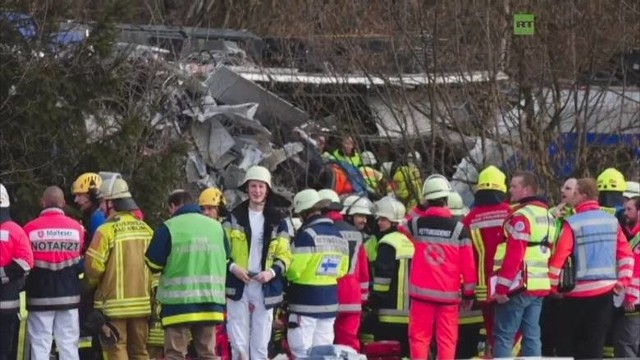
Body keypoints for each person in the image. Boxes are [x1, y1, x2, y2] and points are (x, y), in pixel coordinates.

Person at [548, 178, 634, 359]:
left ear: (583, 195)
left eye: (576, 193)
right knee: (595, 346)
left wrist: (553, 287)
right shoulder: (612, 221)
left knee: (568, 346)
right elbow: (626, 255)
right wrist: (622, 282)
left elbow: (559, 258)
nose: (573, 196)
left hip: (576, 294)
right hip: (605, 293)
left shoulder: (572, 223)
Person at [145, 190, 229, 360]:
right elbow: (226, 258)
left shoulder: (169, 227)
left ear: (172, 206)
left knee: (175, 354)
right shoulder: (217, 228)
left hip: (178, 305)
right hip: (210, 303)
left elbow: (153, 263)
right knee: (207, 353)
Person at [402, 174, 476, 360]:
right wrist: (469, 293)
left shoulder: (417, 224)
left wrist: (420, 206)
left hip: (421, 296)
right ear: (447, 199)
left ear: (426, 199)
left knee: (419, 339)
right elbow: (468, 266)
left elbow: (402, 226)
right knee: (447, 341)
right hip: (448, 297)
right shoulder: (459, 230)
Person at [223, 166, 292, 360]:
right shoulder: (233, 217)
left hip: (265, 284)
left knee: (261, 341)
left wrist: (271, 272)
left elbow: (286, 255)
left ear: (267, 189)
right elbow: (221, 250)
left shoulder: (278, 221)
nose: (257, 191)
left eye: (261, 187)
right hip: (239, 282)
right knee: (238, 340)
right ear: (247, 188)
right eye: (253, 186)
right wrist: (233, 267)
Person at [84, 176, 153, 360]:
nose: (100, 207)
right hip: (142, 305)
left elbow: (93, 268)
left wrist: (89, 287)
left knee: (116, 351)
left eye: (102, 202)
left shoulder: (106, 230)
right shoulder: (146, 229)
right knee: (140, 352)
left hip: (114, 307)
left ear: (111, 203)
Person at [491, 171, 557, 358]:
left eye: (514, 186)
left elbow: (515, 254)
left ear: (526, 189)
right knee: (532, 335)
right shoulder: (548, 215)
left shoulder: (521, 216)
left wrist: (502, 288)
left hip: (518, 284)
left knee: (504, 335)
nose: (509, 190)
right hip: (539, 284)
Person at [23, 186, 85, 360]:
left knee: (40, 344)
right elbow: (80, 258)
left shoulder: (29, 229)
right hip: (69, 295)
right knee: (68, 344)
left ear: (43, 202)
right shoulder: (77, 229)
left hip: (39, 296)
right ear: (63, 203)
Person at [286, 189, 349, 358]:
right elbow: (343, 270)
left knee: (302, 352)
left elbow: (293, 270)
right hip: (329, 303)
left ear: (304, 213)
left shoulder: (307, 235)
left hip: (305, 303)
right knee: (323, 353)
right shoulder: (339, 236)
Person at [462, 165, 512, 354]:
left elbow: (465, 256)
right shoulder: (511, 213)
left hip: (482, 286)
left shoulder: (469, 219)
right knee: (510, 331)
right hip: (509, 285)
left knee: (492, 331)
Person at [317, 189, 369, 353]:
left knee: (323, 343)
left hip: (327, 294)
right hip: (352, 297)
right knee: (349, 346)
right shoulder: (356, 234)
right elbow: (363, 272)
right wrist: (363, 298)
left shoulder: (319, 231)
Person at [369, 196, 414, 357]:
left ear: (394, 222)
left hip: (389, 313)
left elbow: (383, 278)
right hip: (410, 314)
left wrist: (374, 300)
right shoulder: (408, 242)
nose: (379, 222)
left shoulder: (387, 243)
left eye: (383, 219)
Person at [540, 177, 576, 357]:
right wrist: (550, 217)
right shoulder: (553, 214)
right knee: (545, 333)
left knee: (565, 337)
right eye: (563, 187)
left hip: (570, 284)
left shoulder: (578, 218)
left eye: (568, 188)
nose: (563, 190)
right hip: (549, 282)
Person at [0, 183, 34, 360]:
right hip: (8, 304)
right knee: (5, 350)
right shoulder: (15, 230)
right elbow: (26, 262)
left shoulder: (13, 230)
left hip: (7, 304)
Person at [614, 196, 640, 359]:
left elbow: (637, 270)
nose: (625, 214)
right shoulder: (630, 235)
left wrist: (630, 296)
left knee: (626, 343)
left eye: (630, 210)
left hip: (634, 301)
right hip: (631, 298)